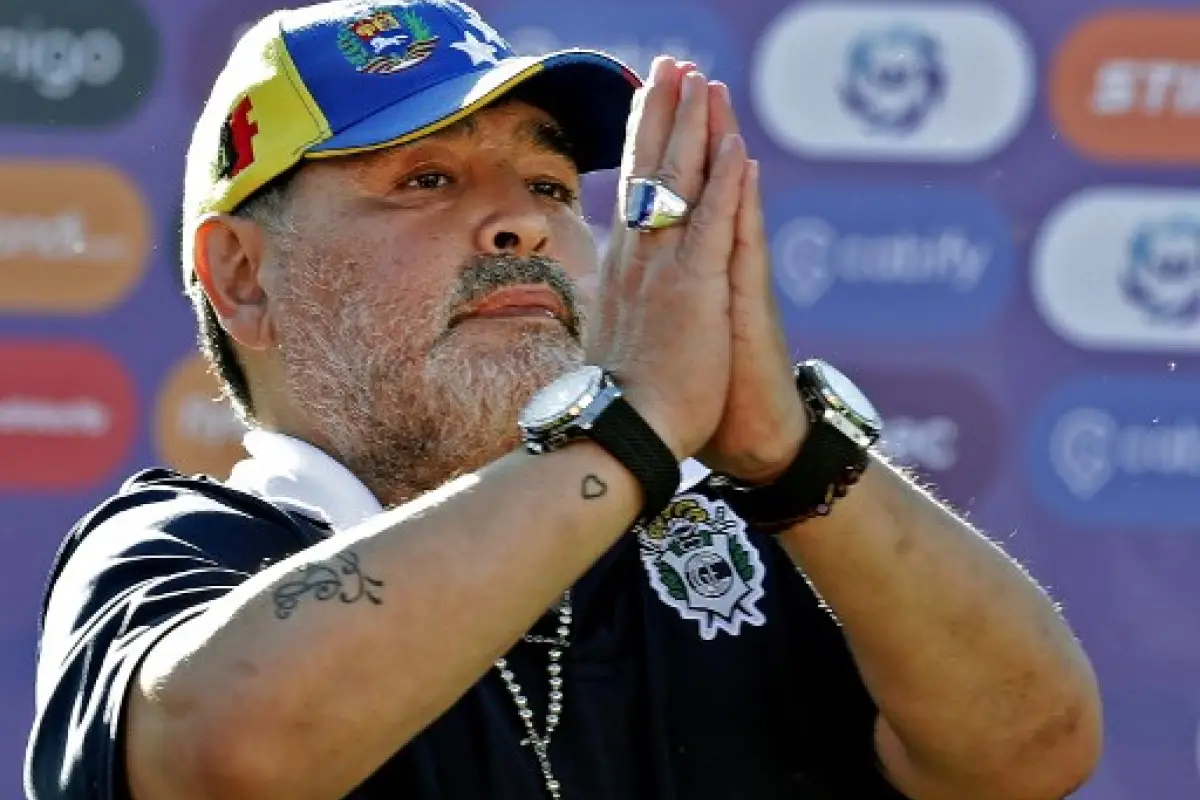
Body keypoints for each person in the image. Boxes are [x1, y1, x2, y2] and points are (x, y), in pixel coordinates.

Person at [25, 2, 1102, 798]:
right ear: (244, 277)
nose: (523, 227)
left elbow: (1033, 746)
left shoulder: (725, 547)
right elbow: (228, 751)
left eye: (547, 187)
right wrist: (625, 435)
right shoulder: (187, 549)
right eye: (427, 181)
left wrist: (791, 456)